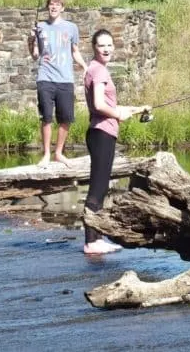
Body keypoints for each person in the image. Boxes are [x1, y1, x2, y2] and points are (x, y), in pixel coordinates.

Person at [82, 29, 151, 255]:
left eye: (110, 45)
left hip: (101, 131)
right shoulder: (99, 71)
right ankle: (92, 241)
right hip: (102, 133)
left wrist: (136, 109)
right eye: (102, 45)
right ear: (94, 47)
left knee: (100, 186)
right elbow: (100, 105)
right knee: (98, 188)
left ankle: (96, 238)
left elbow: (109, 106)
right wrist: (117, 115)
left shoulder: (94, 69)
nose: (107, 49)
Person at [27, 0, 88, 168]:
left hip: (65, 80)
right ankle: (46, 154)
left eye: (57, 5)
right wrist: (30, 40)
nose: (53, 7)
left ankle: (58, 153)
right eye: (51, 5)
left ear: (62, 8)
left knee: (66, 118)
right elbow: (35, 55)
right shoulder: (40, 26)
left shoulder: (71, 28)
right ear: (48, 8)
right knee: (46, 117)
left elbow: (75, 51)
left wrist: (84, 66)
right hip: (45, 77)